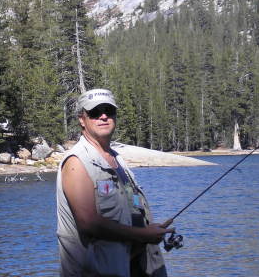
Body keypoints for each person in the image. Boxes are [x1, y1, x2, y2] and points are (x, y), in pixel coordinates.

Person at [56, 88, 174, 276]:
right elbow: (89, 223)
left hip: (131, 265)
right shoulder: (76, 162)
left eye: (109, 111)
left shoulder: (117, 159)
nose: (103, 116)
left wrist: (150, 231)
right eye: (95, 112)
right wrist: (144, 235)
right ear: (82, 119)